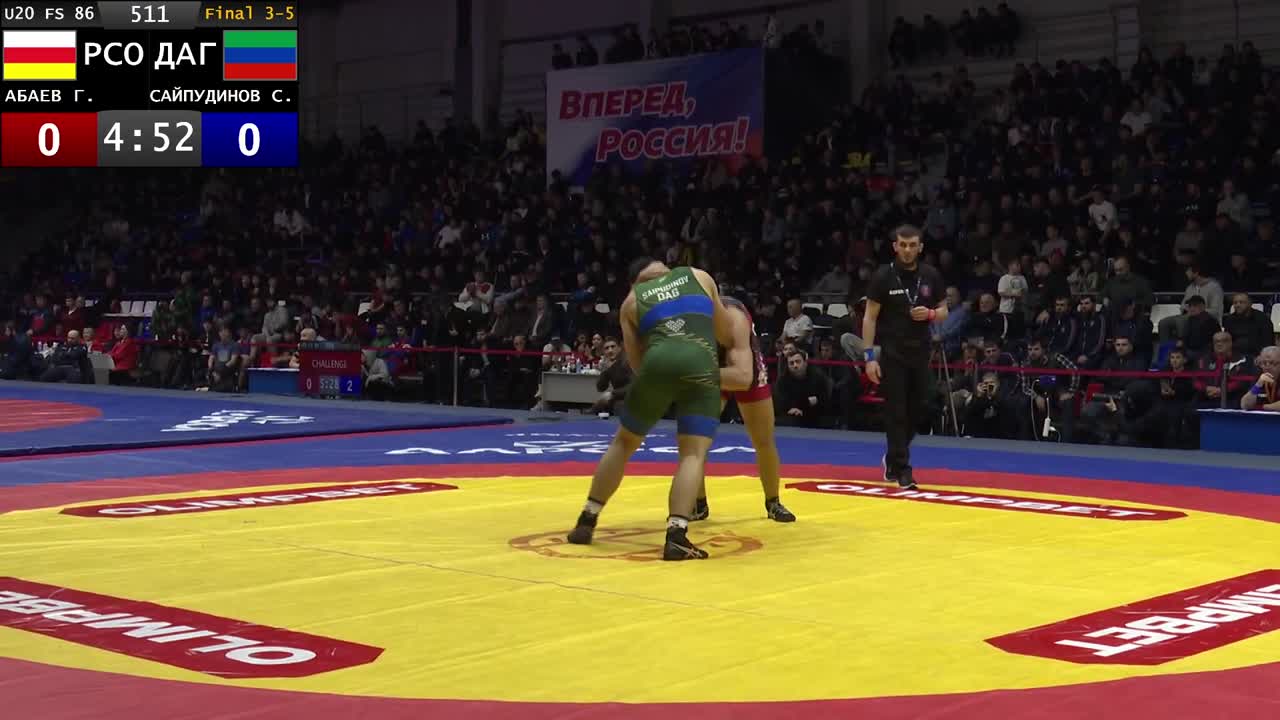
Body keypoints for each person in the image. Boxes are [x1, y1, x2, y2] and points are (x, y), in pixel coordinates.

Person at [565, 258, 733, 561]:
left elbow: (636, 363)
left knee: (624, 442)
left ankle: (586, 520)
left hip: (657, 364)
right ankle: (676, 535)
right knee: (693, 453)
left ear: (636, 282)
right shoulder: (699, 276)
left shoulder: (631, 302)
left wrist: (660, 383)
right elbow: (725, 333)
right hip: (700, 363)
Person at [693, 295, 797, 523]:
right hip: (708, 362)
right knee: (695, 440)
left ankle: (773, 501)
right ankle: (698, 503)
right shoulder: (679, 321)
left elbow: (742, 377)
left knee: (763, 439)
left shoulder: (735, 319)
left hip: (744, 366)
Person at [862, 225, 948, 489]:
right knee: (896, 411)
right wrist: (869, 357)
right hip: (893, 353)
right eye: (903, 245)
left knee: (925, 405)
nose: (907, 250)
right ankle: (902, 468)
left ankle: (893, 457)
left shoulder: (930, 275)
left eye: (912, 245)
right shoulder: (883, 276)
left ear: (920, 247)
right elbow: (869, 317)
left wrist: (931, 314)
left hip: (921, 352)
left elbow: (944, 310)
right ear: (895, 247)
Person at [1241, 346, 1279, 412]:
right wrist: (1258, 385)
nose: (1267, 367)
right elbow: (1245, 405)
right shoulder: (1260, 376)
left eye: (1272, 363)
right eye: (1264, 363)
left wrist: (1262, 407)